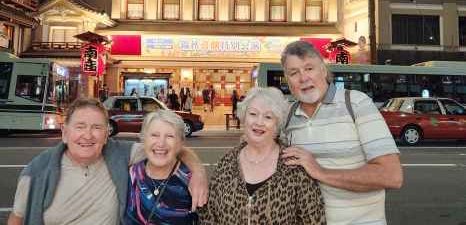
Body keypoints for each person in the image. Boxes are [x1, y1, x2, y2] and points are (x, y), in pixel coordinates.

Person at [8, 98, 208, 225]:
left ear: (106, 135)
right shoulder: (38, 172)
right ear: (65, 133)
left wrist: (198, 172)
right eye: (80, 126)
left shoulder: (119, 155)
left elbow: (166, 149)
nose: (88, 135)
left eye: (96, 127)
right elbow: (16, 219)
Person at [280, 40, 403, 225]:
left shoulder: (356, 104)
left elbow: (391, 175)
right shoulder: (287, 116)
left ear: (323, 70)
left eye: (309, 68)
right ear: (287, 80)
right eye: (294, 73)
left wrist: (320, 172)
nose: (303, 78)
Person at [199, 87, 326, 224]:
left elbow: (314, 220)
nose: (259, 122)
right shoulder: (226, 163)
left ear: (277, 124)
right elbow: (209, 217)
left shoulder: (294, 166)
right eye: (253, 114)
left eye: (268, 117)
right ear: (243, 117)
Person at [125, 109, 198, 224]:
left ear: (180, 143)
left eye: (169, 136)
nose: (161, 143)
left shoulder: (192, 182)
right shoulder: (129, 175)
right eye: (154, 135)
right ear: (143, 139)